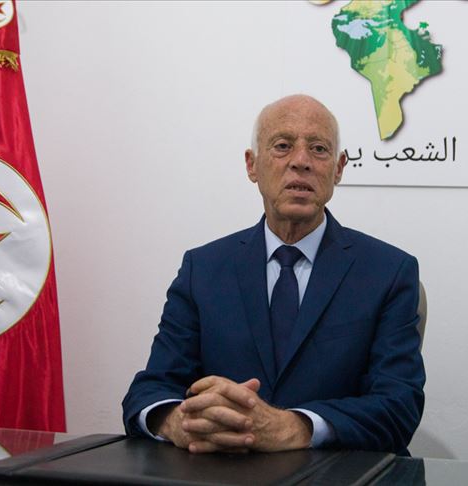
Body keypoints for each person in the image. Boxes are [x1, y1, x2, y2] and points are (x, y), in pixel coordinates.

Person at [121, 94, 424, 455]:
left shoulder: (388, 272)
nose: (301, 161)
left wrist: (295, 427)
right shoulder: (202, 270)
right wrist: (181, 423)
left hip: (336, 473)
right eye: (282, 146)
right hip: (222, 472)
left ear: (339, 168)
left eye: (319, 149)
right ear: (252, 165)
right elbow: (150, 390)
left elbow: (398, 407)